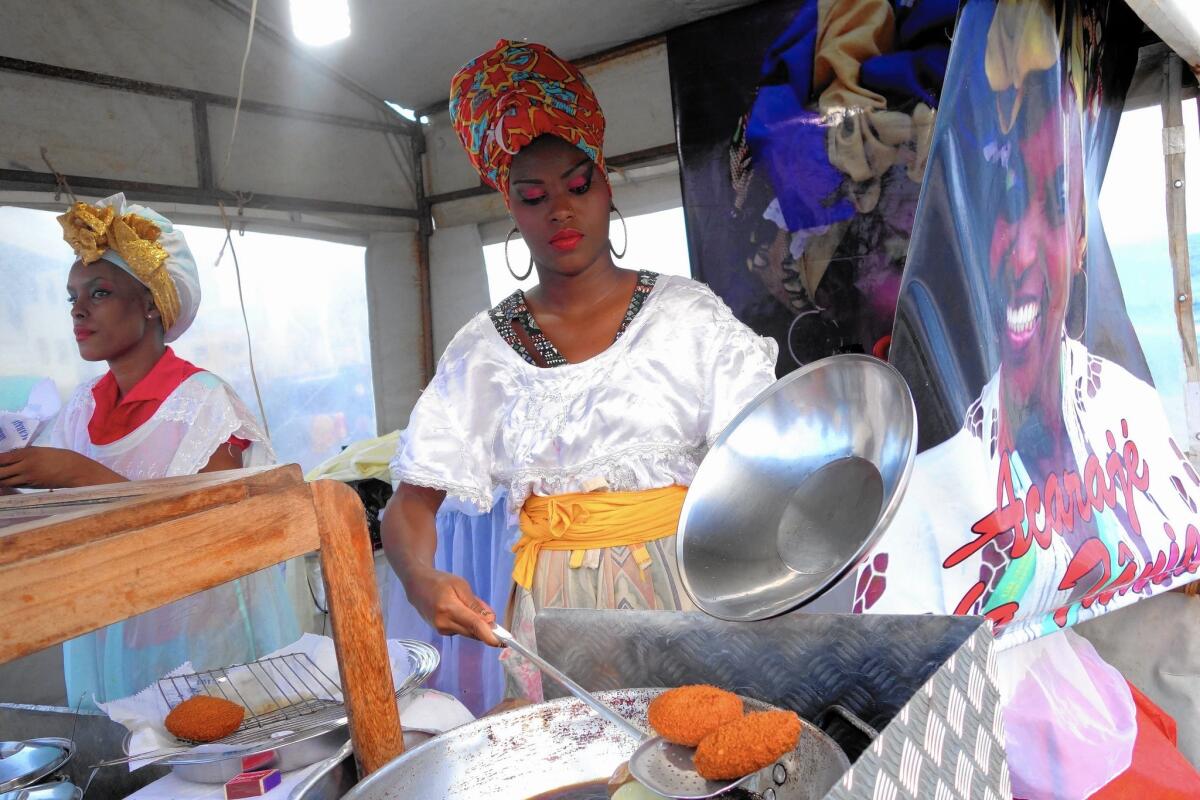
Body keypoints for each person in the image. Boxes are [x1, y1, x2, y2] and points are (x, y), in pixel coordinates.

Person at [853, 1, 1200, 795]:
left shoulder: (1127, 406)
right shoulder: (928, 449)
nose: (1022, 251)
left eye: (1053, 206)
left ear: (1082, 240)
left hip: (1083, 704)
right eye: (1003, 206)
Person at [383, 40, 778, 702]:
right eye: (533, 196)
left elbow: (766, 460)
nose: (560, 211)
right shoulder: (484, 352)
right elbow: (408, 506)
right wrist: (421, 580)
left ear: (606, 182)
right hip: (552, 622)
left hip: (692, 593)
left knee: (698, 758)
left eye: (577, 184)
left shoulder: (686, 316)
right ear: (510, 208)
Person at [0, 193, 299, 705]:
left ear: (151, 304)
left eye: (99, 293)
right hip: (113, 629)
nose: (77, 310)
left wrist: (75, 474)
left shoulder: (205, 405)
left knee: (204, 757)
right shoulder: (79, 408)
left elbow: (218, 541)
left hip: (199, 644)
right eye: (71, 296)